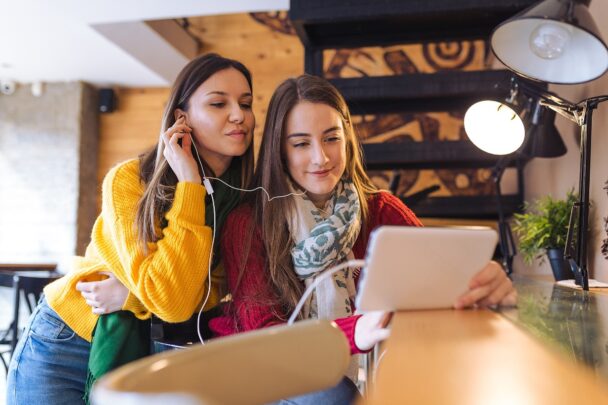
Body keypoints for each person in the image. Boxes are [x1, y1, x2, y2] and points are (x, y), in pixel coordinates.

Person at [209, 74, 517, 404]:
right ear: (279, 151)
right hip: (272, 371)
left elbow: (438, 288)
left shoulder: (381, 211)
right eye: (300, 144)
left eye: (331, 138)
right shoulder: (249, 222)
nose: (321, 158)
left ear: (347, 139)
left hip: (367, 367)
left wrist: (483, 288)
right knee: (331, 394)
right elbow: (265, 337)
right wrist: (351, 333)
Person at [7, 53, 256, 405]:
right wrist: (190, 185)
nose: (239, 115)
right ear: (181, 118)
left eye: (246, 103)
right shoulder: (129, 181)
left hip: (156, 347)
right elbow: (170, 296)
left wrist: (132, 296)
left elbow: (197, 294)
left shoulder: (247, 199)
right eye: (219, 103)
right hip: (66, 337)